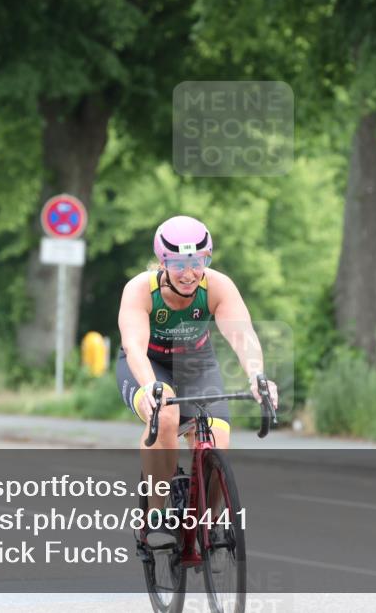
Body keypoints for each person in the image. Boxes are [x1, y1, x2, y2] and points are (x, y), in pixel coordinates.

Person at [116, 215, 278, 547]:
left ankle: (210, 521)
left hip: (195, 363)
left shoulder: (217, 286)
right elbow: (133, 346)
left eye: (198, 262)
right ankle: (156, 514)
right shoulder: (139, 290)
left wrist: (256, 375)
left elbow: (242, 335)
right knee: (167, 416)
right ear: (163, 261)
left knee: (218, 437)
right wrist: (150, 387)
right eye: (178, 264)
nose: (189, 273)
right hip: (149, 363)